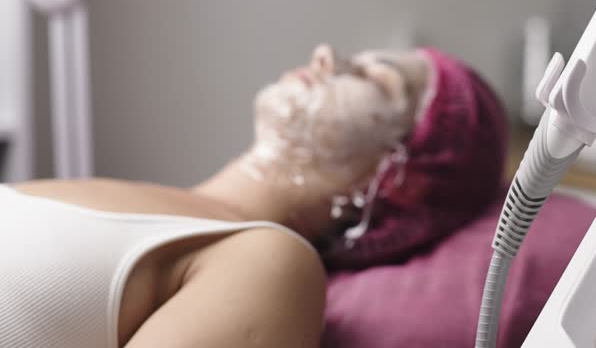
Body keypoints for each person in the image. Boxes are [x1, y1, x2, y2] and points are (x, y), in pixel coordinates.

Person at [0, 44, 508, 348]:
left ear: (402, 175)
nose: (328, 56)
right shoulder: (122, 189)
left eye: (378, 79)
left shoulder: (270, 265)